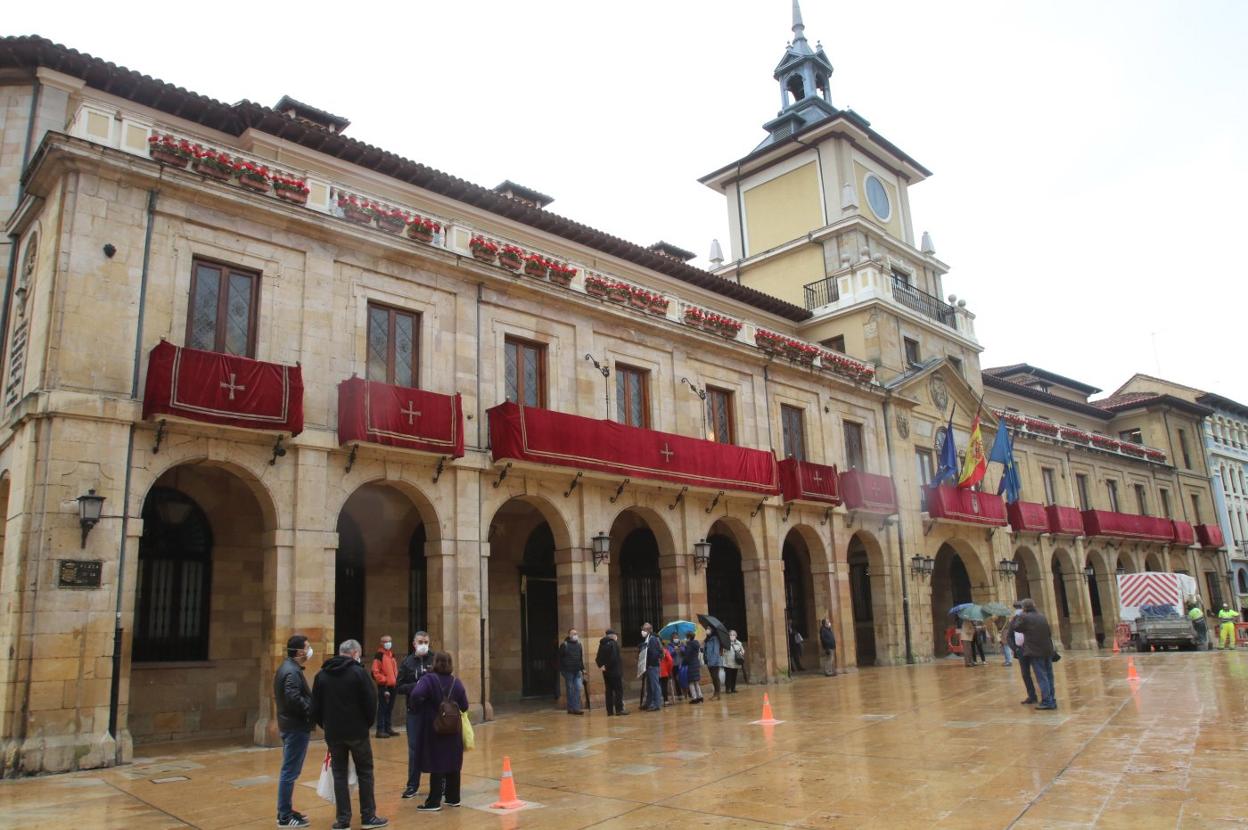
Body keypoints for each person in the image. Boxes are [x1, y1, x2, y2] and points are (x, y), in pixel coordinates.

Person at [311, 640, 388, 829]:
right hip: (357, 732)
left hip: (334, 733)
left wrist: (327, 725)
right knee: (365, 772)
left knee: (339, 774)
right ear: (355, 653)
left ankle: (343, 819)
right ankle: (368, 816)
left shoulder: (322, 675)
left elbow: (315, 708)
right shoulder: (358, 673)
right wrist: (366, 724)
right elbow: (371, 702)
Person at [411, 651, 469, 812]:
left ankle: (434, 801)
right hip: (453, 728)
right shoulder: (456, 682)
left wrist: (422, 707)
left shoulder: (428, 679)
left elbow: (416, 694)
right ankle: (453, 798)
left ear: (435, 663)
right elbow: (464, 706)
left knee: (436, 761)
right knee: (452, 760)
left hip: (434, 727)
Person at [274, 634, 314, 828]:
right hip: (295, 726)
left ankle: (286, 809)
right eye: (307, 647)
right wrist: (310, 709)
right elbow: (292, 696)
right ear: (300, 652)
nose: (309, 650)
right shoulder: (291, 671)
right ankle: (284, 815)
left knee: (290, 770)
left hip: (289, 724)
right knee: (290, 772)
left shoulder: (287, 667)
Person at [396, 630, 433, 799]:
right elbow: (399, 686)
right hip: (415, 711)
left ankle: (439, 783)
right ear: (414, 643)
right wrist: (417, 686)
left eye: (426, 641)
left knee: (435, 746)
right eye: (421, 641)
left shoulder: (434, 659)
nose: (424, 644)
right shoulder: (407, 662)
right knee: (414, 748)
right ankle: (412, 785)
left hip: (432, 710)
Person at [1014, 599, 1058, 710]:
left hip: (1035, 651)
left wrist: (1019, 616)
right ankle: (1052, 699)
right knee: (1049, 676)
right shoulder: (1042, 616)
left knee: (1042, 676)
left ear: (1024, 608)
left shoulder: (1024, 617)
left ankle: (1047, 701)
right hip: (1047, 650)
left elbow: (1016, 627)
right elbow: (1048, 632)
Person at [1006, 602, 1037, 704]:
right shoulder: (1014, 620)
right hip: (1022, 649)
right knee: (1026, 674)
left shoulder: (1031, 618)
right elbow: (1009, 636)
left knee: (1038, 672)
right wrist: (1015, 649)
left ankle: (1044, 696)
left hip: (1032, 648)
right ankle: (1032, 696)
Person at [371, 634, 399, 739]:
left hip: (393, 685)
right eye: (386, 641)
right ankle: (380, 729)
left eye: (390, 641)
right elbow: (375, 672)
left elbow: (394, 669)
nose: (388, 643)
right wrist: (385, 680)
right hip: (384, 686)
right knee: (383, 707)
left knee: (389, 708)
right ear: (381, 643)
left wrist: (396, 680)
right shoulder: (379, 655)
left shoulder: (391, 654)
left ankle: (388, 728)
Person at [595, 628, 626, 716]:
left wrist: (602, 666)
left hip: (606, 672)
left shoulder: (602, 644)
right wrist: (608, 666)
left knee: (608, 691)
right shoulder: (613, 644)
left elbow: (598, 658)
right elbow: (613, 658)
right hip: (615, 671)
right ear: (612, 636)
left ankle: (609, 711)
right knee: (618, 691)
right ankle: (619, 710)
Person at [557, 628, 585, 715]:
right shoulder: (564, 645)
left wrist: (583, 668)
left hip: (577, 671)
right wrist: (562, 669)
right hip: (568, 671)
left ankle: (576, 708)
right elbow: (559, 658)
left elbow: (580, 658)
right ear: (569, 635)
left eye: (576, 633)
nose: (575, 635)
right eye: (573, 634)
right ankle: (571, 708)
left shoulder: (579, 645)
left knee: (577, 688)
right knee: (570, 690)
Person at [639, 623, 663, 711]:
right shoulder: (647, 639)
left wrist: (649, 664)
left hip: (652, 665)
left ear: (650, 630)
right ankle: (649, 703)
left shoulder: (652, 639)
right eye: (642, 629)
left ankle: (656, 704)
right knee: (649, 686)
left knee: (654, 685)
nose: (643, 631)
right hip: (649, 665)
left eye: (644, 629)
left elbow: (654, 653)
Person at [704, 626, 724, 700]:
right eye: (707, 628)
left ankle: (717, 693)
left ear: (712, 630)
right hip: (709, 661)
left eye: (709, 629)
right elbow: (706, 650)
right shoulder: (707, 639)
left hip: (714, 662)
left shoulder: (715, 639)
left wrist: (712, 662)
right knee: (713, 677)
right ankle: (716, 693)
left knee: (715, 677)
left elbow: (716, 651)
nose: (707, 630)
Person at [683, 631, 703, 703]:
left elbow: (687, 656)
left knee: (691, 682)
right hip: (696, 663)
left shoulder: (690, 645)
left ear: (689, 637)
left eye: (686, 637)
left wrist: (683, 663)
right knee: (696, 682)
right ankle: (700, 696)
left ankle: (694, 698)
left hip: (691, 664)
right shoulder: (696, 643)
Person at [658, 637, 674, 705]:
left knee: (657, 686)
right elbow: (670, 660)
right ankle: (665, 701)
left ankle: (658, 701)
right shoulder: (665, 651)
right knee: (664, 686)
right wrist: (669, 669)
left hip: (657, 672)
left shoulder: (654, 651)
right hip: (664, 672)